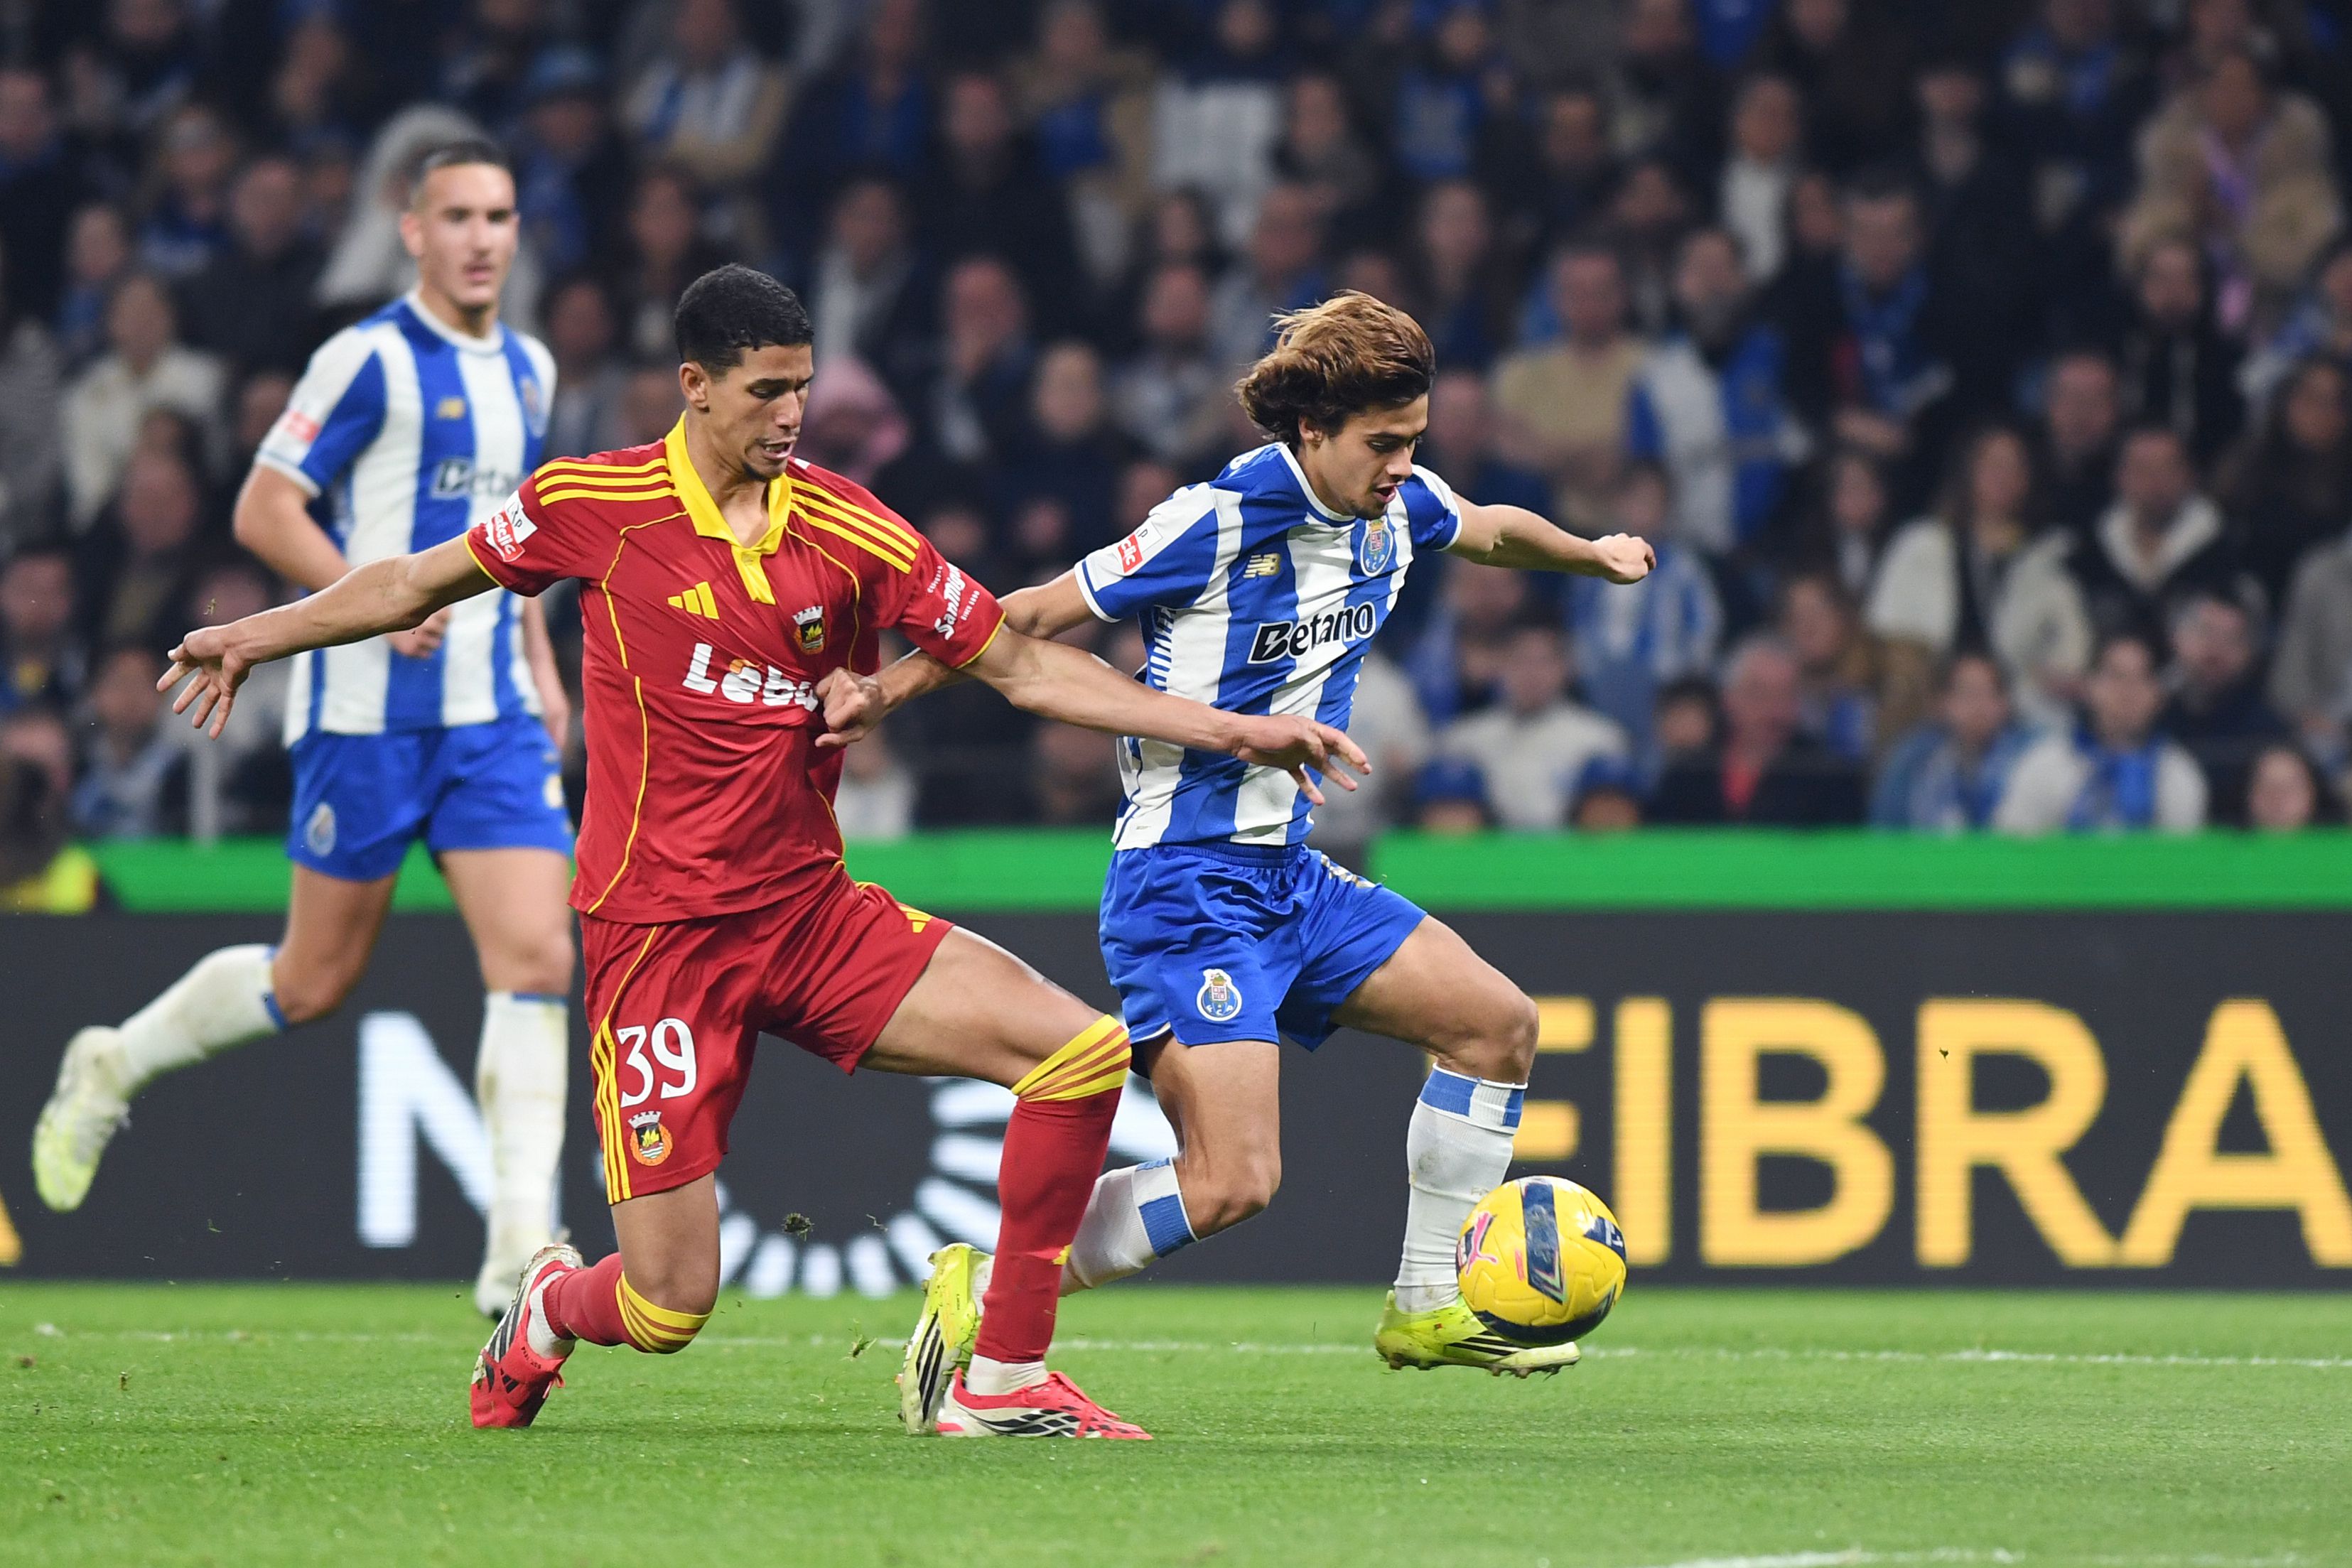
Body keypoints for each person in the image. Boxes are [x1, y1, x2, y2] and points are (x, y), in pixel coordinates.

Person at [153, 262, 1360, 1442]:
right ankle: (546, 1302)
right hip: (660, 942)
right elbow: (416, 580)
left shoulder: (848, 525)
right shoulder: (594, 505)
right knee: (666, 1302)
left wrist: (1232, 728)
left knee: (1078, 1055)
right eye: (769, 390)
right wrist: (256, 635)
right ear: (696, 384)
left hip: (810, 915)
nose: (795, 414)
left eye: (805, 387)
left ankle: (1003, 1372)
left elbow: (1025, 662)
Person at [849, 293, 1653, 1400]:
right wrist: (887, 688)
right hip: (1183, 885)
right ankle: (988, 1284)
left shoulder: (1398, 504)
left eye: (1413, 440)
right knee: (1233, 1181)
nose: (1401, 465)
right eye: (1382, 444)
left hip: (1293, 876)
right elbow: (1022, 618)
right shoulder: (1215, 518)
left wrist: (1592, 555)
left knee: (1495, 1025)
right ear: (1310, 432)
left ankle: (1426, 1303)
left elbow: (1492, 527)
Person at [31, 142, 580, 1323]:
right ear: (413, 230)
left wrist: (539, 660)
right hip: (366, 717)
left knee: (538, 956)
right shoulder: (365, 358)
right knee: (314, 977)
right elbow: (261, 506)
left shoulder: (530, 370)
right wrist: (376, 599)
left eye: (500, 214)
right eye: (459, 215)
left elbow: (523, 535)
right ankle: (112, 1061)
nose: (483, 236)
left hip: (492, 718)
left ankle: (518, 1247)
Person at [1995, 632, 2207, 834]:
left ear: (2158, 695)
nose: (2127, 692)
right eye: (2116, 677)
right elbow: (2013, 849)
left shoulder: (2178, 773)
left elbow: (2182, 863)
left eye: (2140, 679)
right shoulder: (2044, 763)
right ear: (2089, 686)